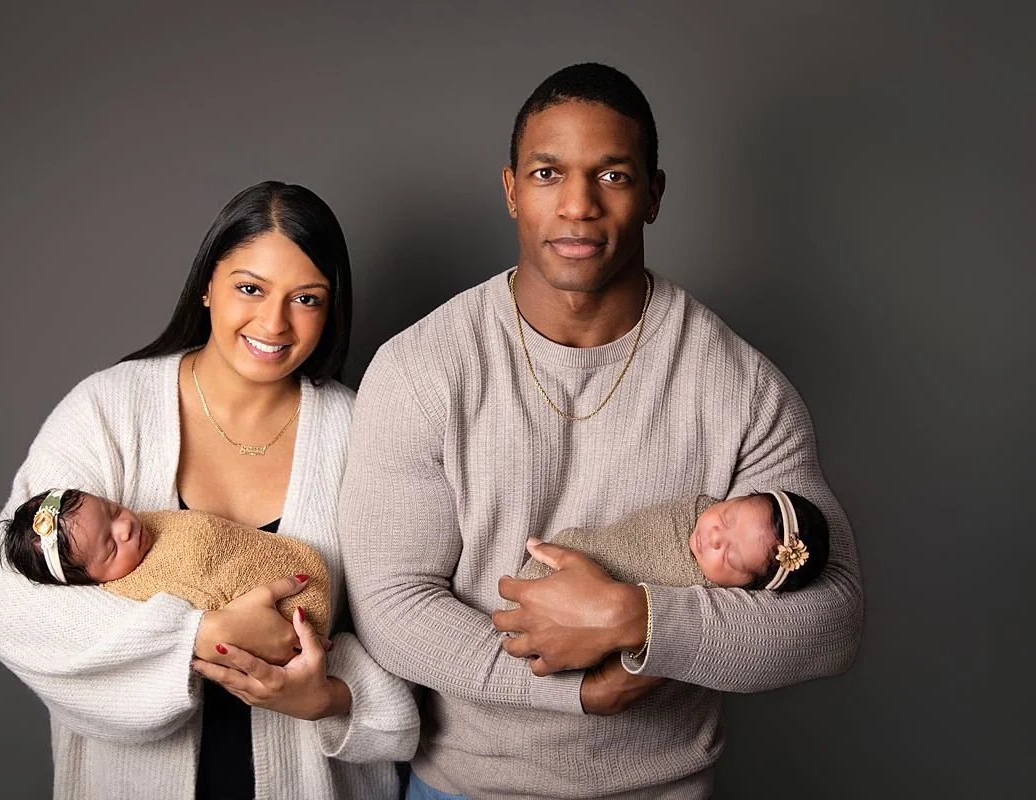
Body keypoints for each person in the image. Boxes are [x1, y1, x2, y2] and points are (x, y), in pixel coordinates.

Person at [339, 63, 863, 799]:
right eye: (549, 173)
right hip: (466, 790)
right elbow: (392, 608)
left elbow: (832, 620)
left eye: (612, 176)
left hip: (665, 789)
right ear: (513, 191)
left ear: (654, 194)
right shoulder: (423, 369)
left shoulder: (740, 386)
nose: (579, 206)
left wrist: (636, 618)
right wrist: (574, 693)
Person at [0, 181, 419, 800]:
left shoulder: (361, 430)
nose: (274, 321)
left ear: (331, 308)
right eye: (250, 288)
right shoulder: (109, 409)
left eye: (307, 298)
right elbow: (5, 604)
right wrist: (198, 636)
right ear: (208, 285)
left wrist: (332, 697)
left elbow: (409, 619)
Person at [0, 488, 334, 635]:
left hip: (289, 562)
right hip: (280, 614)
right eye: (111, 546)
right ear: (93, 580)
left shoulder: (147, 523)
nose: (126, 526)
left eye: (112, 510)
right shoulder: (130, 591)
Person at [508, 489, 830, 594]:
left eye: (730, 557)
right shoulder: (694, 510)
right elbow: (624, 543)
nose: (715, 536)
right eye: (727, 516)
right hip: (582, 548)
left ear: (745, 586)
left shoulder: (700, 594)